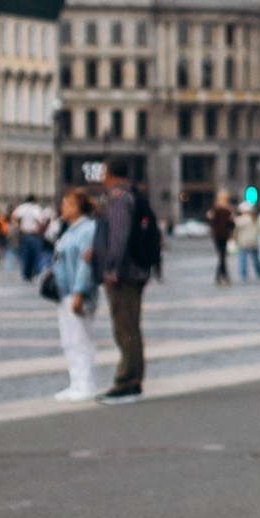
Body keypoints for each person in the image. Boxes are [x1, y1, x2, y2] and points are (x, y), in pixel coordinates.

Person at [90, 156, 159, 403]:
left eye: (104, 172)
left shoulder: (119, 200)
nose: (101, 178)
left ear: (110, 174)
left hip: (124, 274)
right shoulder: (130, 196)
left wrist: (110, 269)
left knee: (125, 327)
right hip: (133, 270)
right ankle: (134, 380)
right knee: (131, 325)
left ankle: (126, 381)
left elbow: (118, 236)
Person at [51, 188, 103, 402]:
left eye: (67, 203)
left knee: (82, 339)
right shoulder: (69, 230)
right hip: (64, 291)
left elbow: (85, 264)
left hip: (77, 291)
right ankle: (75, 382)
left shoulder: (87, 230)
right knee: (69, 340)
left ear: (77, 207)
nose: (62, 207)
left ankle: (86, 383)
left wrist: (80, 292)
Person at [13, 194, 47, 280]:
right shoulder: (35, 208)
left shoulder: (22, 207)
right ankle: (36, 273)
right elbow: (40, 220)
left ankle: (25, 273)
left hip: (24, 233)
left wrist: (19, 226)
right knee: (36, 254)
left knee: (25, 254)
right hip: (33, 233)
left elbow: (13, 216)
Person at [207, 190, 236, 286]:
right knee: (223, 256)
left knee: (222, 256)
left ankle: (222, 276)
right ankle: (221, 276)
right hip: (223, 235)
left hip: (217, 235)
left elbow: (211, 222)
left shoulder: (215, 209)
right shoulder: (228, 210)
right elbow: (231, 225)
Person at [234, 203, 260, 282]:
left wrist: (234, 239)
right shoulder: (255, 219)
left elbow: (236, 231)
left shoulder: (241, 219)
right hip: (254, 241)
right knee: (256, 259)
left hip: (243, 242)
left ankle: (243, 275)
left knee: (243, 259)